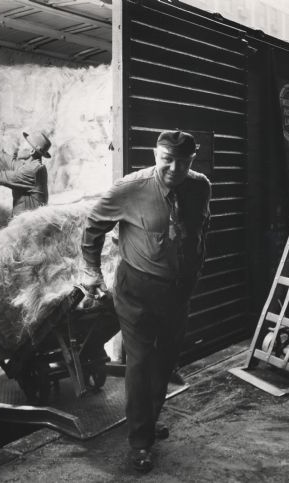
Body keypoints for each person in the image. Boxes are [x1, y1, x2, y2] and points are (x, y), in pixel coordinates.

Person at [80, 130, 211, 472]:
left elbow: (201, 231)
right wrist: (91, 270)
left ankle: (148, 422)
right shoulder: (130, 188)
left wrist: (194, 272)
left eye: (183, 162)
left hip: (178, 290)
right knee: (140, 361)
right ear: (156, 155)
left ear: (192, 160)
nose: (174, 168)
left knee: (166, 361)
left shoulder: (200, 186)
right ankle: (140, 442)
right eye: (167, 159)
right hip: (137, 288)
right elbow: (93, 225)